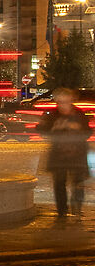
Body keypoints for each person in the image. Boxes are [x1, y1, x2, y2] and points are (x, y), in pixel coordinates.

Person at [38, 90, 89, 220]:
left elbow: (87, 132)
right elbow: (41, 129)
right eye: (61, 102)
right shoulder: (53, 115)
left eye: (66, 101)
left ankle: (76, 209)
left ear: (71, 100)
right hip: (59, 154)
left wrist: (77, 128)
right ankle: (62, 212)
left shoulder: (79, 114)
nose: (63, 105)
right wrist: (53, 129)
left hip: (77, 154)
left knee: (78, 183)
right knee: (59, 183)